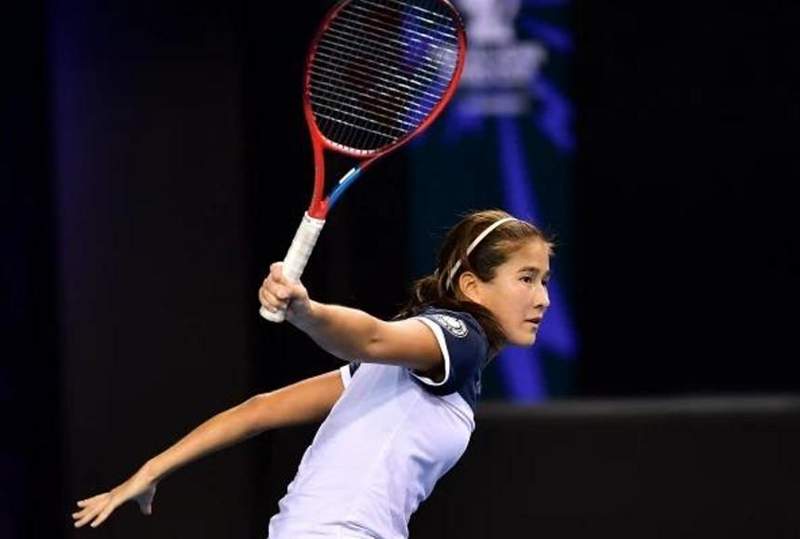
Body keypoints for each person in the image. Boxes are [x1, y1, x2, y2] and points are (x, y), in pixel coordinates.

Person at [71, 209, 552, 537]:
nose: (543, 298)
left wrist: (152, 469)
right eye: (526, 278)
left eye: (544, 280)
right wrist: (306, 311)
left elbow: (258, 411)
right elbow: (373, 337)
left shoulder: (402, 369)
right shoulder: (461, 337)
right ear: (471, 286)